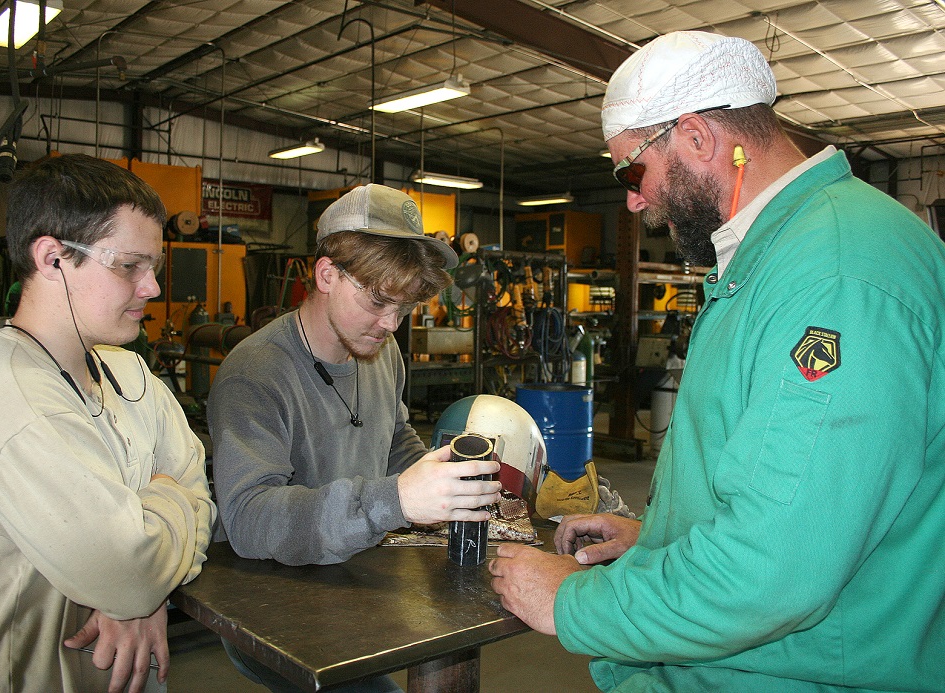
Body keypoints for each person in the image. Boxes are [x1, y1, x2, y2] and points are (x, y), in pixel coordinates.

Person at [489, 30, 945, 692]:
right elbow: (798, 489)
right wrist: (661, 538)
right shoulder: (778, 257)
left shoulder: (836, 276)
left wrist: (569, 601)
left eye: (630, 171)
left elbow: (775, 571)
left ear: (696, 138)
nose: (631, 200)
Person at [207, 183, 502, 691]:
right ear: (326, 274)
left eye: (404, 309)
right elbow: (249, 521)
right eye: (378, 301)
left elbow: (392, 439)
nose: (390, 324)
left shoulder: (381, 351)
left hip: (355, 570)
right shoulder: (254, 372)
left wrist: (444, 474)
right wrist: (394, 500)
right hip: (274, 598)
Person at [0, 154, 216, 692]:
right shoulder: (9, 407)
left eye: (154, 268)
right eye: (128, 267)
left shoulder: (128, 371)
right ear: (52, 258)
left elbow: (198, 490)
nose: (153, 289)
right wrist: (141, 574)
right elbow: (131, 570)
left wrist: (146, 594)